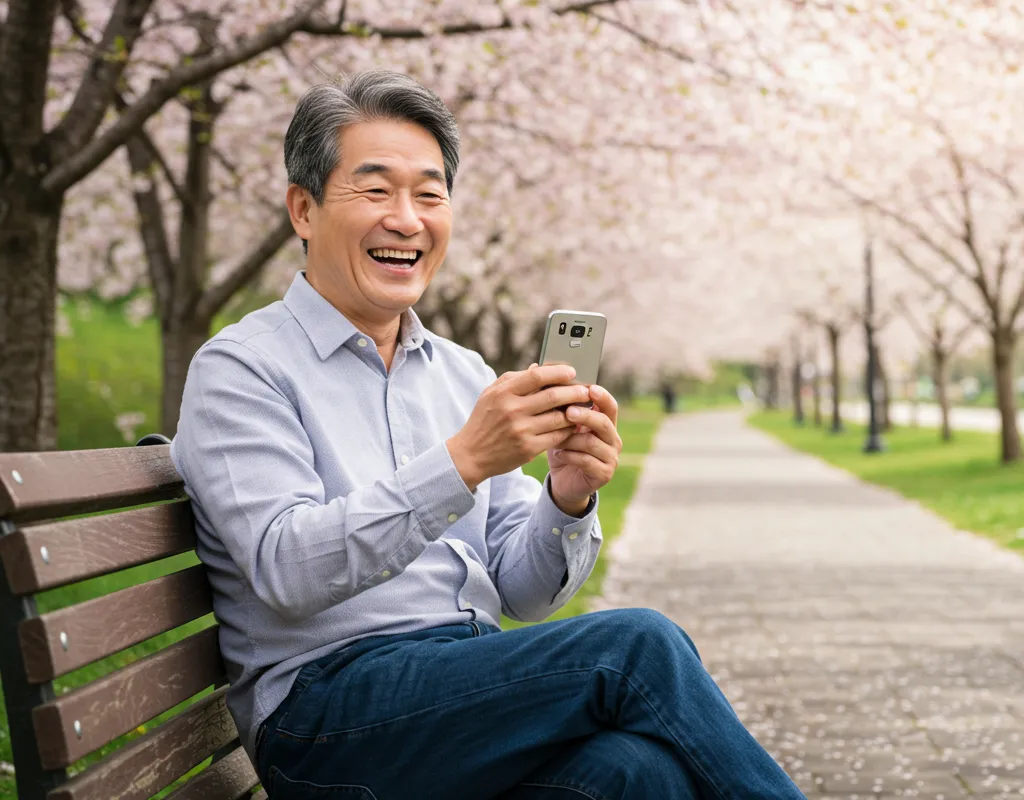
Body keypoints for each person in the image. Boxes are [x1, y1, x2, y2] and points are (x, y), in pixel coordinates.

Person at [172, 71, 806, 800]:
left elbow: (523, 594)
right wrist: (463, 462)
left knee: (637, 770)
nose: (406, 219)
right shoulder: (242, 369)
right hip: (327, 717)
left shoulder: (462, 371)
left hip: (462, 692)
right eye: (375, 190)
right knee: (637, 646)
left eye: (430, 194)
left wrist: (566, 499)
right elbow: (286, 569)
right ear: (304, 209)